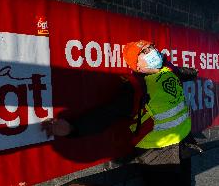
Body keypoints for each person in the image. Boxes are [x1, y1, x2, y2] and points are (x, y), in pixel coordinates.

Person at [42, 40, 202, 185]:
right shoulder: (136, 88)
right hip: (158, 154)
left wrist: (193, 73)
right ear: (137, 65)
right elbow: (106, 114)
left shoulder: (167, 69)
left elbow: (180, 72)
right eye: (144, 52)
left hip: (182, 143)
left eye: (152, 47)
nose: (153, 51)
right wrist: (72, 128)